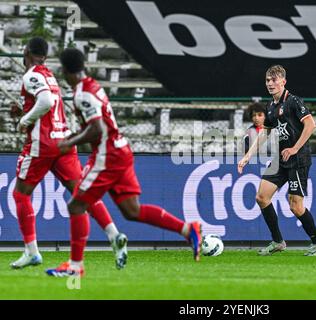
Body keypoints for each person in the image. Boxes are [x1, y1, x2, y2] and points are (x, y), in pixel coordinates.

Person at [46, 48, 202, 277]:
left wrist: (70, 142)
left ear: (66, 70)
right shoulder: (93, 86)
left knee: (76, 205)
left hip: (107, 155)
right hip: (121, 150)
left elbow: (97, 128)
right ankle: (188, 230)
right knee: (132, 211)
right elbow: (98, 123)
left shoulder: (81, 93)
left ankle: (75, 266)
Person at [10, 37, 128, 270]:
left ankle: (32, 252)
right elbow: (47, 102)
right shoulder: (49, 75)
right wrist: (24, 109)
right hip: (63, 141)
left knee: (21, 195)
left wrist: (25, 119)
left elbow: (44, 101)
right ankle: (114, 235)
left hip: (42, 145)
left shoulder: (31, 74)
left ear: (26, 52)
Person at [238, 65, 316, 256]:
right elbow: (264, 134)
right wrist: (247, 156)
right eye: (268, 80)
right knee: (261, 197)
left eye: (274, 80)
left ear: (283, 82)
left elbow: (311, 125)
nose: (270, 84)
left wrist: (295, 148)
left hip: (298, 159)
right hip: (280, 160)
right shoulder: (270, 106)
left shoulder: (294, 101)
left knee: (295, 206)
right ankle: (278, 241)